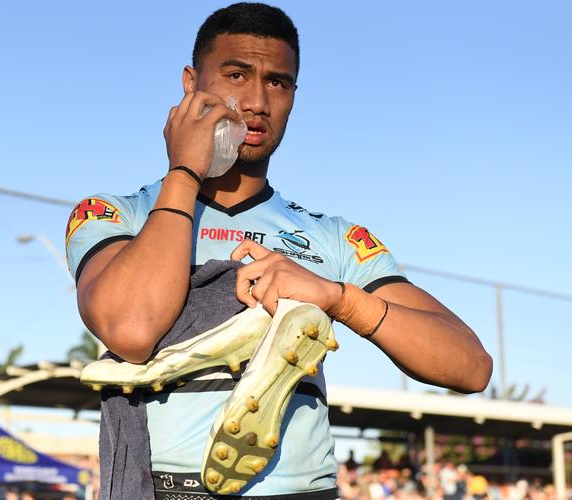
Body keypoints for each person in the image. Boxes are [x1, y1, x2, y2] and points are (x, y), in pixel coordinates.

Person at [65, 3, 492, 499]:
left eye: (277, 83)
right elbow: (131, 329)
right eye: (236, 74)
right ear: (190, 84)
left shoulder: (334, 237)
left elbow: (471, 366)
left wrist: (340, 299)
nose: (256, 101)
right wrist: (184, 171)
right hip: (169, 487)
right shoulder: (114, 215)